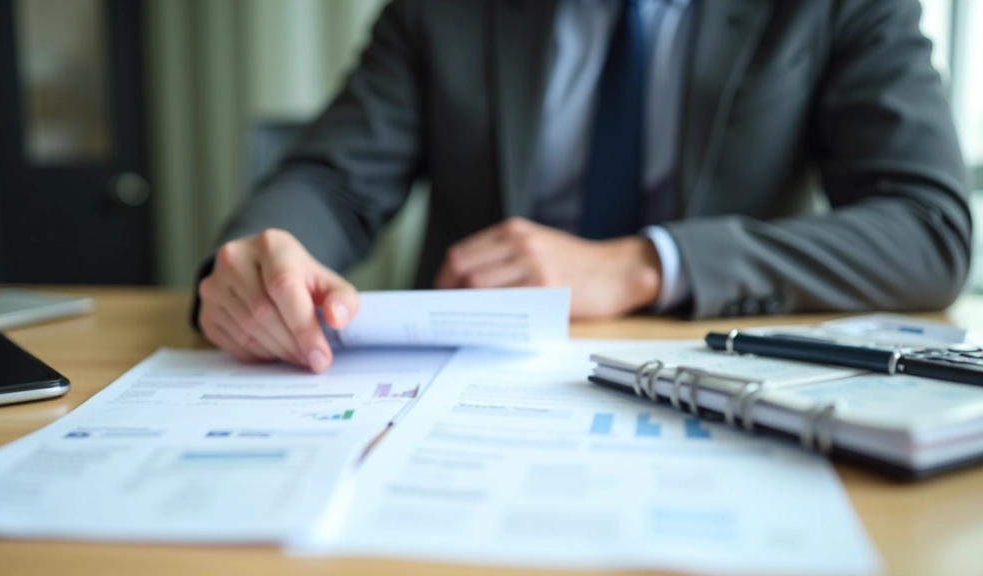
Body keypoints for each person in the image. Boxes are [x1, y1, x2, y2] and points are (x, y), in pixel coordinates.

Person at [193, 0, 971, 372]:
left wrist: (646, 264)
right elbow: (329, 179)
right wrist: (270, 257)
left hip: (719, 374)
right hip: (458, 383)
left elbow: (927, 227)